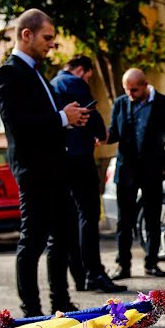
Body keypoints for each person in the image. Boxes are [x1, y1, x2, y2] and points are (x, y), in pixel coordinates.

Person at [0, 9, 90, 317]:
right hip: (33, 170)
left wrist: (68, 117)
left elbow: (44, 120)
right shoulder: (9, 73)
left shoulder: (37, 74)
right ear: (27, 34)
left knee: (61, 237)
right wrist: (62, 117)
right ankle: (31, 310)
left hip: (56, 168)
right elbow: (18, 124)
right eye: (47, 37)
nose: (52, 44)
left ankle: (60, 303)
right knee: (32, 239)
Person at [51, 55, 126, 294]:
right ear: (82, 70)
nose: (87, 80)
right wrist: (101, 132)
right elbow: (91, 112)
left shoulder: (51, 84)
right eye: (89, 77)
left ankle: (80, 275)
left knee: (72, 218)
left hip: (62, 158)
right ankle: (94, 274)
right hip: (79, 158)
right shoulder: (73, 82)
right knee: (89, 215)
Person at [107, 68, 165, 279]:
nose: (130, 94)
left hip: (153, 171)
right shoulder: (121, 103)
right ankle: (123, 265)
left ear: (145, 84)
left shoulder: (164, 103)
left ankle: (152, 263)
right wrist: (101, 135)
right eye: (127, 90)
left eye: (134, 90)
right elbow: (114, 133)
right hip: (126, 171)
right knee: (124, 221)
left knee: (152, 218)